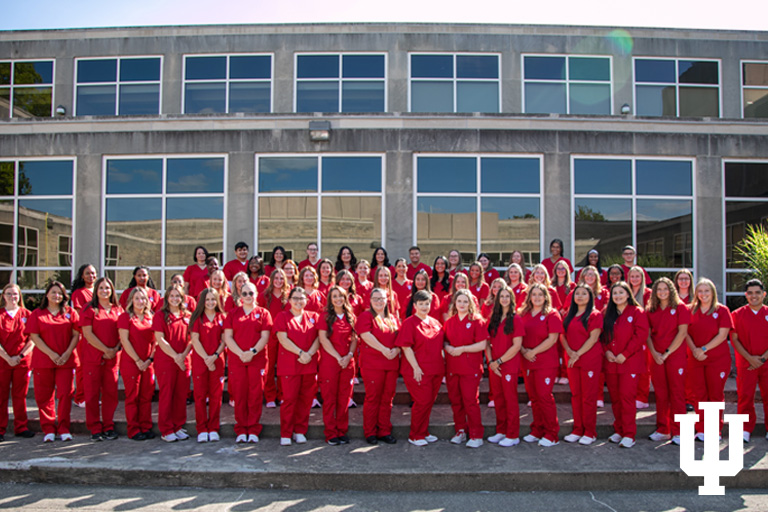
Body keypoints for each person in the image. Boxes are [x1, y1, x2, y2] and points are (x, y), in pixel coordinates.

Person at [27, 281, 80, 442]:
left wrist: (66, 353)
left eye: (59, 293)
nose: (56, 296)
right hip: (44, 360)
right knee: (44, 396)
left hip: (66, 360)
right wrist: (51, 354)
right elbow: (34, 336)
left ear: (64, 296)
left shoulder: (70, 312)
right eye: (53, 292)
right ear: (47, 294)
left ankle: (63, 428)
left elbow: (76, 335)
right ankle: (48, 429)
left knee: (65, 394)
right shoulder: (37, 313)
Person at [602, 281, 650, 448]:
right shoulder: (607, 313)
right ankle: (619, 430)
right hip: (612, 363)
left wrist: (625, 354)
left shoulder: (637, 312)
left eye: (621, 293)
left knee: (627, 398)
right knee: (615, 399)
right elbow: (602, 336)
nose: (618, 296)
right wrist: (607, 351)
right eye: (614, 293)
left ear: (628, 294)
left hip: (629, 363)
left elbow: (640, 335)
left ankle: (629, 433)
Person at [224, 282, 272, 443]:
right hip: (237, 360)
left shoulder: (263, 313)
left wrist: (251, 353)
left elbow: (265, 337)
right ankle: (241, 429)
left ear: (256, 294)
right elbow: (228, 337)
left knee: (255, 395)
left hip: (256, 359)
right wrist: (240, 353)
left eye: (251, 293)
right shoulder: (233, 314)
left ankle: (253, 429)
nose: (248, 297)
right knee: (240, 394)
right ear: (240, 296)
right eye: (244, 294)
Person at [686, 278, 733, 440]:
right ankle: (701, 429)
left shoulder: (722, 311)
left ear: (712, 292)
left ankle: (714, 430)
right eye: (700, 291)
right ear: (696, 293)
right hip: (696, 359)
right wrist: (695, 350)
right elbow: (685, 333)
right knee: (699, 394)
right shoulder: (689, 310)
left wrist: (704, 349)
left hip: (717, 359)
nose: (703, 294)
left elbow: (723, 335)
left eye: (707, 291)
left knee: (715, 394)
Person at [396, 290, 444, 446]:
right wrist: (415, 367)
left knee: (429, 402)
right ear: (415, 305)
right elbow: (406, 347)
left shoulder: (436, 323)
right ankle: (415, 435)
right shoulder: (409, 323)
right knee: (422, 402)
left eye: (427, 303)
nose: (424, 306)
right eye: (421, 304)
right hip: (417, 370)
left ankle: (424, 431)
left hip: (435, 369)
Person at [646, 277, 690, 445]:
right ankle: (663, 429)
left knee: (677, 393)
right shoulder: (651, 309)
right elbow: (648, 334)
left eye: (665, 289)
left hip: (674, 356)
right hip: (656, 357)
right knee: (661, 394)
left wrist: (667, 352)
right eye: (659, 289)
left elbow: (682, 332)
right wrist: (655, 352)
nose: (662, 292)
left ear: (671, 290)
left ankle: (679, 431)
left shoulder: (680, 308)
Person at [519, 283, 563, 447]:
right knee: (534, 398)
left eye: (540, 294)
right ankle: (537, 429)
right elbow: (518, 336)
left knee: (544, 396)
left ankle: (552, 433)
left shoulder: (552, 314)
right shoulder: (524, 314)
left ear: (546, 297)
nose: (537, 297)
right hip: (527, 361)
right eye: (534, 294)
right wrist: (524, 351)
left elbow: (552, 339)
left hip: (545, 362)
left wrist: (533, 352)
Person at [275, 287, 321, 446]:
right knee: (289, 400)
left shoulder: (314, 317)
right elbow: (282, 338)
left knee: (305, 400)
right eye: (295, 298)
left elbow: (318, 338)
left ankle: (300, 431)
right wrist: (301, 352)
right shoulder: (282, 317)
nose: (298, 301)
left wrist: (309, 354)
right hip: (290, 365)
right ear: (289, 301)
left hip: (308, 365)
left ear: (306, 301)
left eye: (301, 298)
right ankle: (286, 433)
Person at [80, 277, 123, 441]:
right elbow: (87, 334)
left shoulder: (118, 309)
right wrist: (105, 350)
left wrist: (115, 349)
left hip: (112, 358)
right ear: (96, 291)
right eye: (101, 288)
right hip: (94, 358)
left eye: (107, 288)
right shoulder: (89, 309)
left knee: (110, 394)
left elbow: (123, 331)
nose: (105, 291)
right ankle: (95, 427)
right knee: (91, 395)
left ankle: (108, 425)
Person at [443, 289, 488, 448]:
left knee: (470, 401)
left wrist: (462, 349)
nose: (462, 304)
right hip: (453, 367)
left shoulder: (477, 321)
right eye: (459, 301)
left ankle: (476, 434)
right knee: (456, 401)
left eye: (465, 301)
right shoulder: (450, 321)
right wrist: (447, 347)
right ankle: (460, 430)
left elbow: (482, 344)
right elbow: (445, 341)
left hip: (470, 367)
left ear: (471, 304)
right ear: (455, 303)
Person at [560, 283, 603, 445]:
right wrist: (570, 352)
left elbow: (593, 338)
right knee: (576, 395)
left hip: (589, 360)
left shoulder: (595, 314)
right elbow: (562, 335)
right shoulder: (569, 315)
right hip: (572, 360)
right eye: (577, 293)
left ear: (590, 297)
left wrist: (577, 353)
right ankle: (577, 429)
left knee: (589, 397)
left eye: (584, 293)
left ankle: (590, 431)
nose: (579, 296)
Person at [358, 288, 401, 445]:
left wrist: (396, 350)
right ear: (370, 300)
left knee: (387, 398)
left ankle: (384, 430)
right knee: (373, 397)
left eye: (382, 299)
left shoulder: (393, 318)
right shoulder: (366, 316)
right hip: (373, 364)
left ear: (387, 300)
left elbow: (399, 337)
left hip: (391, 363)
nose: (379, 302)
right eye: (375, 299)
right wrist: (384, 349)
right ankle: (370, 431)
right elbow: (365, 335)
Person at [730, 279, 768, 443]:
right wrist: (750, 359)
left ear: (763, 294)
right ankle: (745, 429)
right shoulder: (737, 314)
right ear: (746, 295)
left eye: (757, 293)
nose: (754, 296)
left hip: (766, 363)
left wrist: (763, 358)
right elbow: (735, 339)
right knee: (745, 396)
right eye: (750, 293)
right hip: (746, 363)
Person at [152, 285, 192, 442]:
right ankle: (167, 429)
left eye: (178, 296)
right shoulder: (160, 316)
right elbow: (160, 339)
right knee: (167, 395)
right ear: (167, 298)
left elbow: (191, 339)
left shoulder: (187, 315)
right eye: (172, 296)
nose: (175, 299)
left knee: (181, 395)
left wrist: (183, 356)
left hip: (184, 360)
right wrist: (176, 356)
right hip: (167, 361)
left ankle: (178, 425)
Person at [318, 286, 357, 445]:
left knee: (344, 398)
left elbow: (354, 339)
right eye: (334, 296)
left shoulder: (351, 316)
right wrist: (338, 356)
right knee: (329, 399)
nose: (338, 299)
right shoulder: (325, 316)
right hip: (330, 362)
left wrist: (348, 356)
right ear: (330, 299)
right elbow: (323, 339)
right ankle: (331, 433)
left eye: (340, 296)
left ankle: (342, 430)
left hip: (347, 363)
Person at [485, 285, 524, 447]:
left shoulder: (516, 319)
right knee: (499, 399)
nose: (504, 299)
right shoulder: (493, 318)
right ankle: (501, 431)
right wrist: (491, 363)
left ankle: (512, 434)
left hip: (508, 365)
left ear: (512, 299)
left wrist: (499, 361)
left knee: (510, 399)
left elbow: (517, 346)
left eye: (508, 296)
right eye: (502, 296)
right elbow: (486, 343)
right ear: (497, 299)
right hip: (494, 366)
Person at [118, 287, 156, 441]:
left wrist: (149, 360)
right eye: (137, 298)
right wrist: (138, 360)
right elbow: (124, 340)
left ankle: (145, 426)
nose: (141, 301)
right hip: (131, 362)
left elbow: (156, 341)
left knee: (146, 396)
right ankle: (134, 429)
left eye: (143, 298)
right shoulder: (125, 317)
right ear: (131, 301)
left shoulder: (151, 317)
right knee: (132, 396)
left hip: (148, 363)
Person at [189, 288, 226, 443]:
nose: (210, 302)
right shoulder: (197, 318)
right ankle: (202, 428)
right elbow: (195, 340)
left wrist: (215, 356)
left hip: (217, 361)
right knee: (200, 396)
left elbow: (224, 340)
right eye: (208, 299)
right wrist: (206, 359)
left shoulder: (222, 317)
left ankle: (213, 427)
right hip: (200, 362)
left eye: (213, 299)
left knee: (216, 397)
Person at [0, 284, 34, 441]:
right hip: (2, 362)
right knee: (1, 395)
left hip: (22, 361)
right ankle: (0, 429)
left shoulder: (27, 314)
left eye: (15, 294)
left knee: (20, 395)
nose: (12, 297)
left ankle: (21, 427)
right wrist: (8, 358)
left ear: (19, 296)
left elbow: (32, 340)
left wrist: (19, 357)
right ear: (3, 296)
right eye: (9, 294)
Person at [258, 269, 291, 408]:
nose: (279, 281)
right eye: (276, 278)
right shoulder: (264, 296)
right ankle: (270, 396)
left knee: (284, 367)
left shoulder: (289, 295)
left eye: (281, 278)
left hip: (284, 335)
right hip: (269, 336)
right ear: (271, 279)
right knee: (269, 367)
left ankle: (283, 395)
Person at [70, 263, 97, 409]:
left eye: (93, 273)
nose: (91, 276)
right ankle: (80, 397)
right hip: (85, 335)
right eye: (87, 273)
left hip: (98, 335)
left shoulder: (98, 291)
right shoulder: (79, 293)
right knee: (82, 367)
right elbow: (80, 314)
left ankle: (90, 396)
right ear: (82, 276)